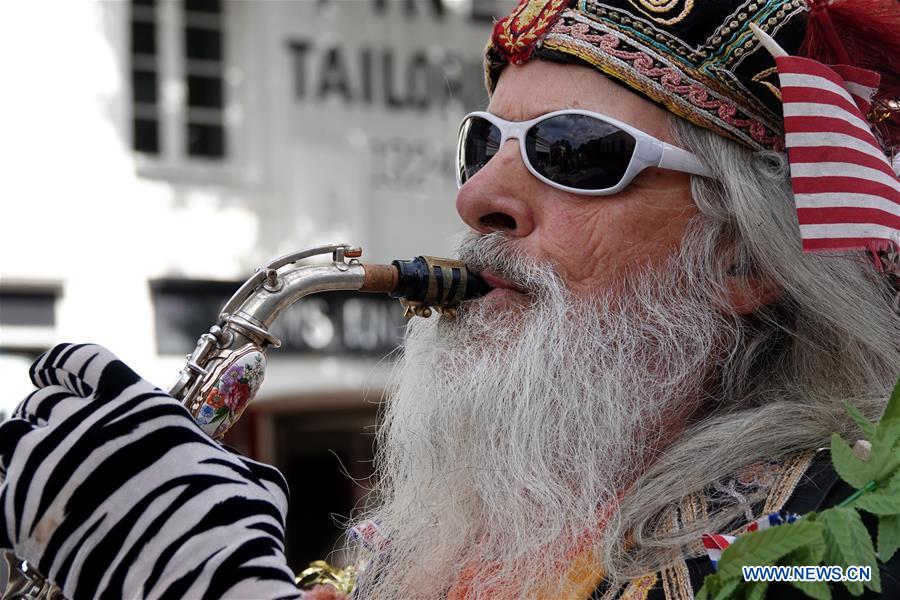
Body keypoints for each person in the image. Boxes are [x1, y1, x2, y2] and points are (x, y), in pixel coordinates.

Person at [2, 0, 899, 598]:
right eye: (482, 144)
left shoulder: (846, 549)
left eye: (574, 150)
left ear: (740, 257)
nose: (476, 200)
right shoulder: (409, 547)